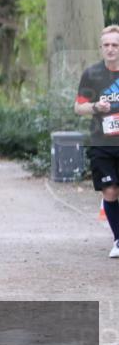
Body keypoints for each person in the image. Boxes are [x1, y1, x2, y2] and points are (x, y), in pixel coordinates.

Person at [73, 24, 119, 259]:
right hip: (102, 142)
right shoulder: (92, 74)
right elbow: (78, 107)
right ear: (101, 48)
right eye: (107, 45)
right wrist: (94, 107)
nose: (111, 49)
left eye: (115, 45)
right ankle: (118, 239)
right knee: (110, 191)